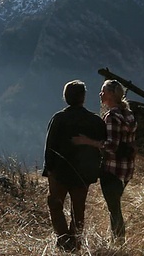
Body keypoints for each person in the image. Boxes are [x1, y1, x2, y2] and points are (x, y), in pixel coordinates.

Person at [42, 80, 107, 251]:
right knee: (78, 209)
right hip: (83, 173)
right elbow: (103, 144)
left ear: (65, 97)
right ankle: (75, 243)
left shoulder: (59, 118)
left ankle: (64, 240)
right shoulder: (94, 120)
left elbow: (50, 146)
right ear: (83, 97)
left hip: (59, 172)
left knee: (55, 204)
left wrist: (48, 169)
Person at [73, 79, 137, 244]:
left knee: (114, 209)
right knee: (115, 205)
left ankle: (118, 243)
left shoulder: (111, 117)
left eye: (103, 91)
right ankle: (117, 240)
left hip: (112, 169)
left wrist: (87, 141)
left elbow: (111, 146)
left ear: (111, 95)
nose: (100, 94)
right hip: (127, 168)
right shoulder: (128, 115)